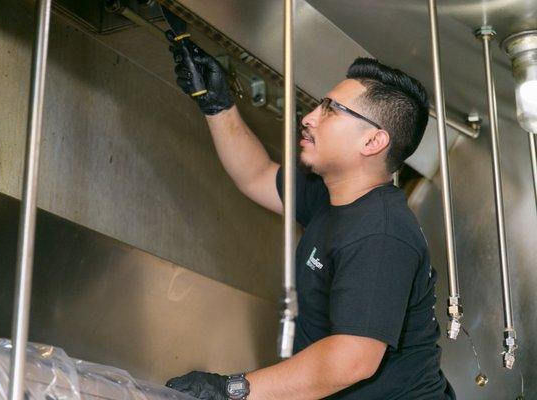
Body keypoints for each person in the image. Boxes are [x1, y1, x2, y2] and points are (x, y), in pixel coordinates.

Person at [165, 42, 455, 400]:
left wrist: (232, 389)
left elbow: (353, 360)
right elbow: (256, 175)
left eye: (331, 110)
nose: (309, 117)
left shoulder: (382, 232)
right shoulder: (331, 196)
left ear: (373, 141)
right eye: (321, 104)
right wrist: (217, 106)